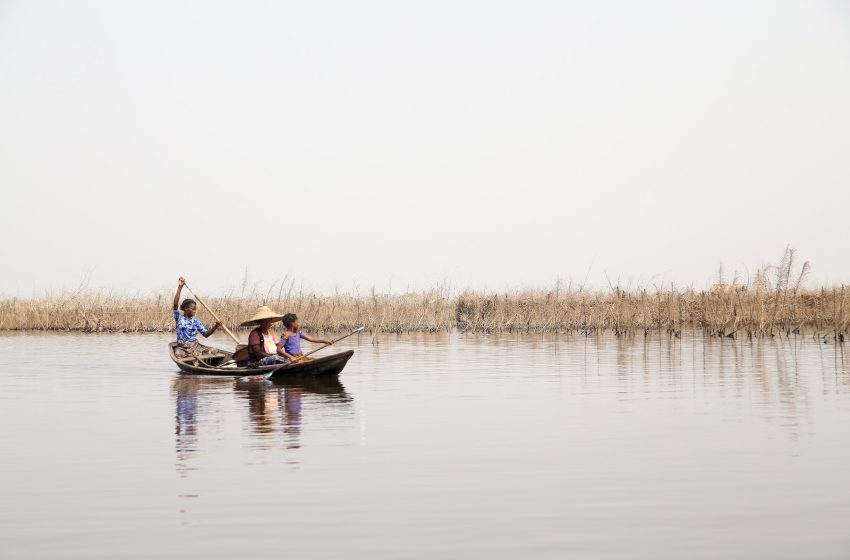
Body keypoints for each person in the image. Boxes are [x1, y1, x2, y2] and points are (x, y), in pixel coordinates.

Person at [173, 277, 221, 345]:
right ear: (185, 309)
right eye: (193, 309)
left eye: (195, 309)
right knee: (180, 353)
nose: (195, 311)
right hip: (182, 346)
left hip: (194, 345)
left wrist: (215, 326)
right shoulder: (179, 318)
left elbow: (205, 334)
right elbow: (175, 304)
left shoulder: (196, 322)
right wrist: (180, 287)